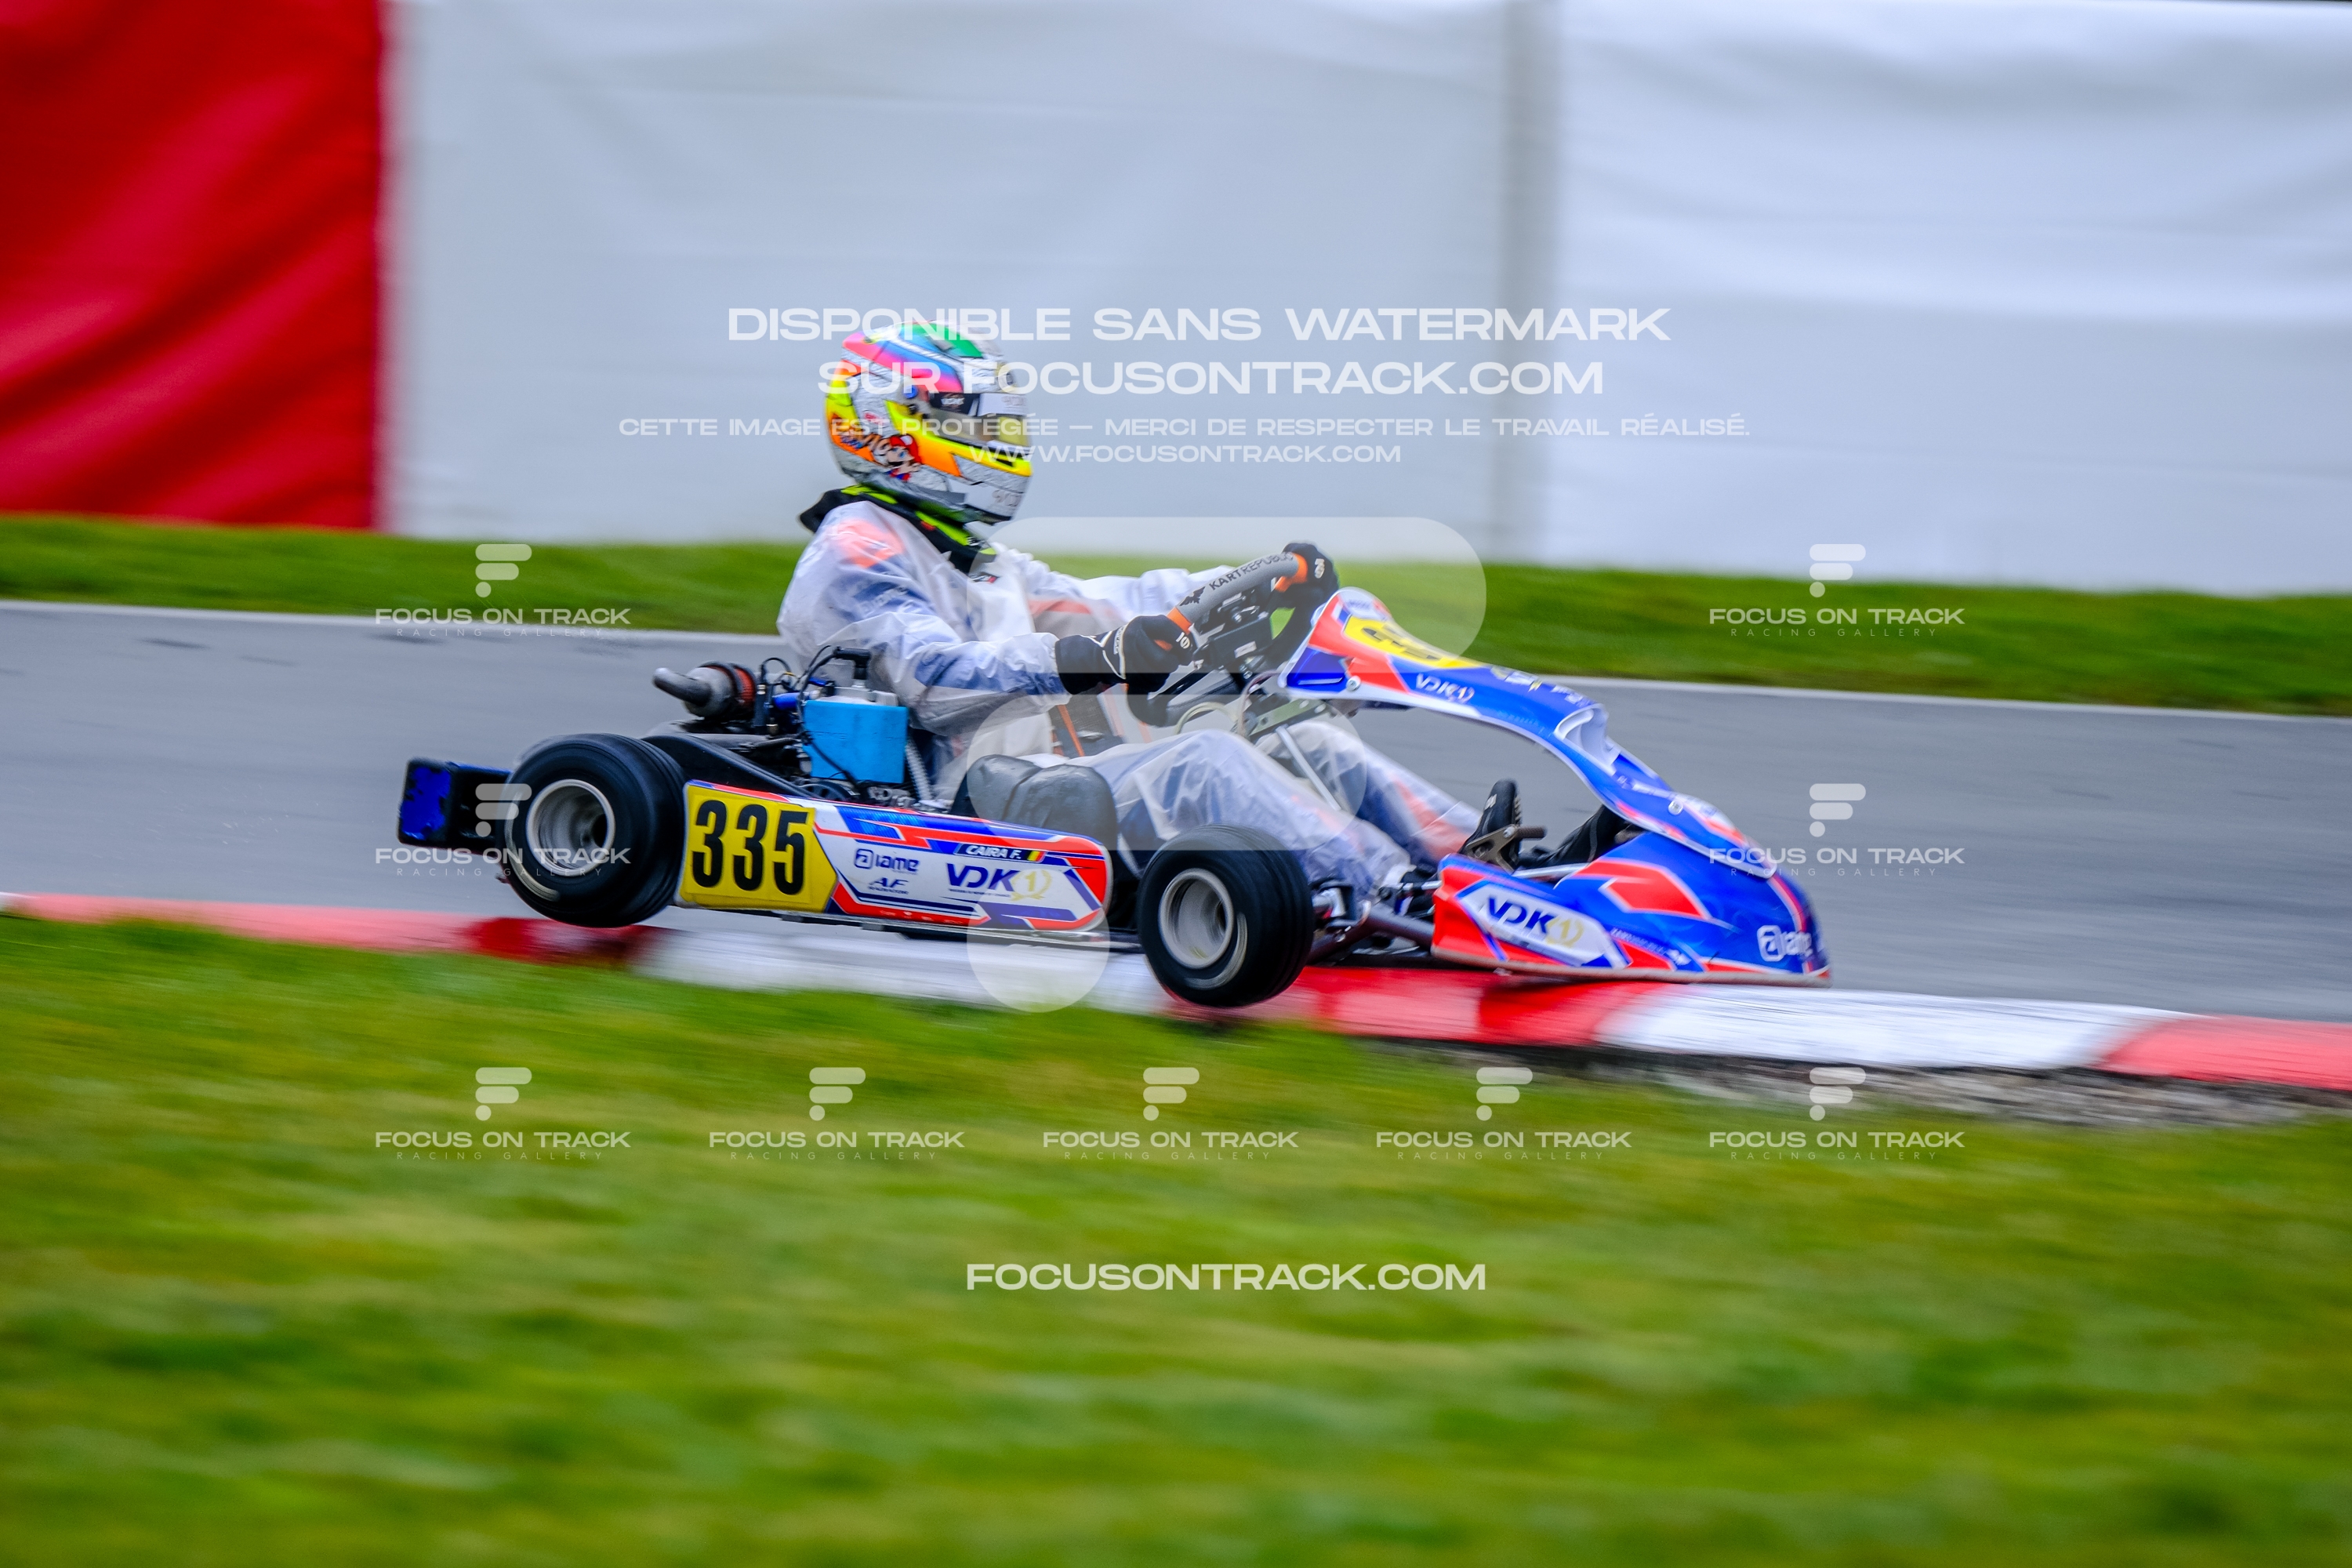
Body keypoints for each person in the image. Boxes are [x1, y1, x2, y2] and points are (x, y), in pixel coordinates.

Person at [779, 321, 1475, 896]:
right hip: (972, 803)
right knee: (1208, 761)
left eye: (998, 424)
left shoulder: (971, 555)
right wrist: (1100, 659)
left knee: (1299, 734)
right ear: (890, 426)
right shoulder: (857, 548)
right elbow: (937, 681)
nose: (995, 440)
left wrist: (1253, 586)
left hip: (1056, 761)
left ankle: (1483, 860)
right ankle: (1392, 888)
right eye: (977, 423)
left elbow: (1106, 605)